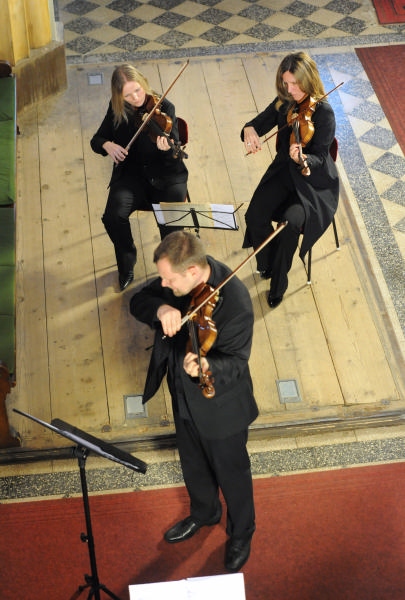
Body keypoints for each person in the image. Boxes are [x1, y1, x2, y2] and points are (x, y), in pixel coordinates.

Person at [129, 231, 258, 572]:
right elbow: (138, 301)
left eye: (168, 279)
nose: (163, 283)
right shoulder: (178, 281)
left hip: (220, 407)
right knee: (193, 463)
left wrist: (206, 365)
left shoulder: (236, 302)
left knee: (233, 475)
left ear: (193, 271)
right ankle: (205, 512)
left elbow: (236, 362)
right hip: (182, 395)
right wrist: (162, 307)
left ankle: (242, 532)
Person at [242, 51, 339, 308]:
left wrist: (304, 159)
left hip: (311, 184)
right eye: (286, 83)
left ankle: (279, 283)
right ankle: (268, 264)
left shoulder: (324, 113)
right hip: (283, 172)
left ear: (308, 79)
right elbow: (257, 123)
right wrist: (249, 130)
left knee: (289, 226)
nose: (290, 89)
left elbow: (321, 156)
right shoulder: (284, 102)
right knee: (254, 216)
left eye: (295, 84)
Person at [91, 64, 188, 291]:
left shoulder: (164, 107)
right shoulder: (117, 109)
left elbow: (175, 156)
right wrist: (107, 144)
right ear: (119, 96)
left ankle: (170, 267)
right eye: (128, 95)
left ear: (144, 83)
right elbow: (97, 140)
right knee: (113, 217)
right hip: (132, 176)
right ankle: (127, 258)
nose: (135, 98)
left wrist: (168, 150)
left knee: (171, 224)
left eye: (138, 90)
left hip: (166, 176)